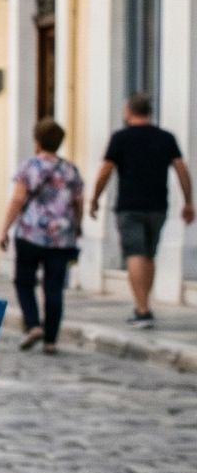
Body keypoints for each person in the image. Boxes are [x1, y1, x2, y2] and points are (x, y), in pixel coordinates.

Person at [89, 93, 194, 327]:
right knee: (149, 254)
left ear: (128, 112)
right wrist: (188, 201)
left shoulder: (121, 138)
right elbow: (181, 169)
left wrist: (95, 198)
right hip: (157, 206)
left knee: (135, 254)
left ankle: (142, 308)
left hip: (130, 206)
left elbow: (106, 170)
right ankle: (144, 304)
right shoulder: (166, 138)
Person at [0, 119, 83, 355]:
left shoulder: (29, 167)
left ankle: (34, 324)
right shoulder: (70, 169)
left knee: (24, 281)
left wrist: (4, 229)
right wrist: (77, 227)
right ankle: (51, 340)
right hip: (61, 237)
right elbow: (78, 202)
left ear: (37, 141)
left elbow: (17, 199)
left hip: (30, 233)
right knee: (54, 287)